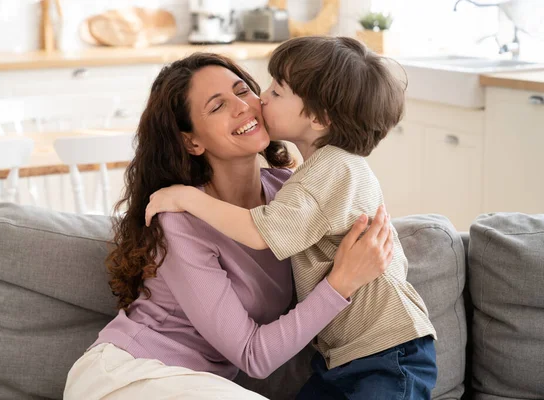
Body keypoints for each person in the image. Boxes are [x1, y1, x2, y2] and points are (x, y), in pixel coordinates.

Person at [63, 52, 393, 400]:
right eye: (217, 106)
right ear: (192, 141)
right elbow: (254, 355)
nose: (243, 107)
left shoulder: (290, 195)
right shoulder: (179, 220)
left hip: (201, 386)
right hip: (129, 376)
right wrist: (341, 283)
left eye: (243, 90)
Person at [145, 37, 438, 399]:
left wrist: (187, 197)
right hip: (343, 358)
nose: (260, 98)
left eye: (276, 91)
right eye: (220, 104)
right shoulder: (311, 177)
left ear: (318, 117)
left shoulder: (331, 171)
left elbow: (259, 231)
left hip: (387, 351)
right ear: (190, 140)